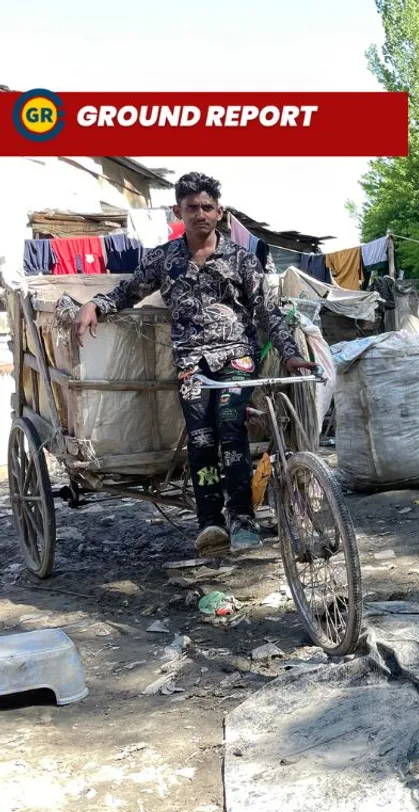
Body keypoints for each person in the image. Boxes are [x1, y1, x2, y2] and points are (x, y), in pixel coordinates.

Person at [75, 172, 315, 556]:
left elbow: (267, 311)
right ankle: (211, 524)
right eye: (192, 208)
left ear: (219, 212)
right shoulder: (164, 259)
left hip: (237, 356)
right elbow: (127, 292)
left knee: (229, 426)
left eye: (207, 207)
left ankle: (242, 518)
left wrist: (289, 353)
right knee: (201, 439)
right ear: (179, 212)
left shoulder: (241, 259)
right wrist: (95, 305)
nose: (200, 214)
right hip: (191, 363)